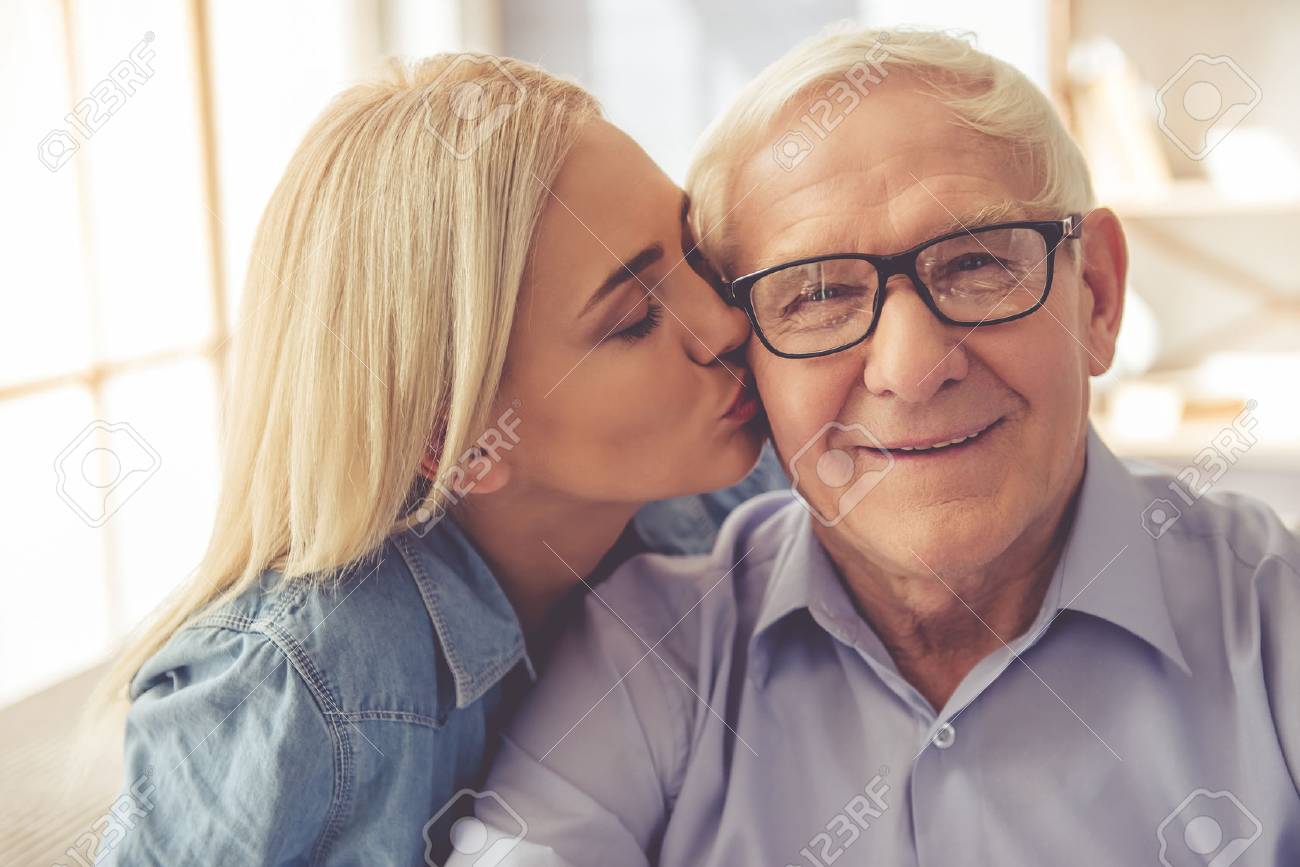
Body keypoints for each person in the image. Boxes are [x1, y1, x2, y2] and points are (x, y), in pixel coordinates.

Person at [455, 26, 1300, 866]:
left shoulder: (1275, 620)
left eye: (975, 263)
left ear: (1100, 298)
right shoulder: (646, 654)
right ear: (746, 358)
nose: (912, 368)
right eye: (816, 293)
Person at [102, 53, 782, 866]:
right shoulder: (295, 688)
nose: (724, 322)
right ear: (452, 441)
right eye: (635, 316)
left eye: (697, 252)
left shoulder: (722, 517)